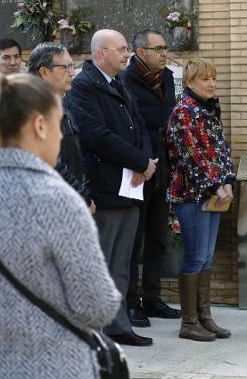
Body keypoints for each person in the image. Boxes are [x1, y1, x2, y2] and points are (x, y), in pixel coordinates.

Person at [0, 73, 121, 378]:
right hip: (52, 364)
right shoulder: (55, 200)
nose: (62, 137)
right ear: (40, 126)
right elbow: (98, 306)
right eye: (59, 124)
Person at [65, 29, 158, 346]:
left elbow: (141, 126)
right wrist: (139, 162)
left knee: (122, 265)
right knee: (102, 264)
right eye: (120, 49)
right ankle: (94, 330)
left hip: (130, 187)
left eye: (125, 49)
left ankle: (118, 326)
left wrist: (143, 160)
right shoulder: (83, 87)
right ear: (100, 53)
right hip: (104, 188)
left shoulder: (118, 84)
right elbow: (96, 135)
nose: (126, 54)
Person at [166, 59, 235, 341]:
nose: (212, 83)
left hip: (212, 194)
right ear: (190, 82)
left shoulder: (208, 109)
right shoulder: (183, 112)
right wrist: (216, 184)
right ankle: (188, 322)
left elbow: (221, 149)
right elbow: (191, 156)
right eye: (205, 79)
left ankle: (205, 317)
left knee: (206, 258)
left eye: (213, 78)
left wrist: (228, 179)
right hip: (190, 195)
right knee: (194, 258)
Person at [121, 30, 180, 326]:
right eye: (158, 48)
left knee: (158, 236)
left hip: (163, 166)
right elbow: (132, 125)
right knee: (135, 239)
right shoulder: (125, 79)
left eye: (165, 48)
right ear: (141, 52)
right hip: (137, 168)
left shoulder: (166, 77)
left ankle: (153, 298)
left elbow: (167, 117)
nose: (164, 53)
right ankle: (131, 303)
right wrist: (143, 161)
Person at [28, 42, 95, 212]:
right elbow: (51, 162)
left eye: (72, 66)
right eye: (65, 67)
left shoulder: (58, 103)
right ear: (44, 72)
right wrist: (82, 197)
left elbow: (74, 155)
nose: (72, 73)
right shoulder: (34, 108)